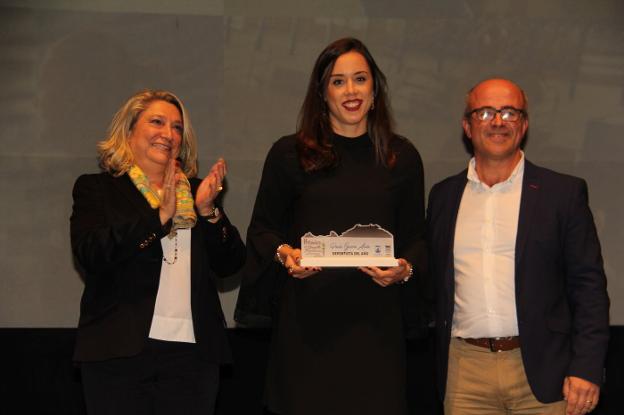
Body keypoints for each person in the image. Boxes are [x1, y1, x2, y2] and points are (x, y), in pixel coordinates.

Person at [235, 37, 426, 415]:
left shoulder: (401, 157)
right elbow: (263, 230)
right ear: (322, 93)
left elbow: (416, 239)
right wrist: (285, 254)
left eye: (360, 79)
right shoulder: (289, 154)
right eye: (338, 81)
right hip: (307, 330)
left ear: (375, 90)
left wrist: (404, 269)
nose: (351, 91)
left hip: (376, 334)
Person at [427, 78, 610, 415]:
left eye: (509, 112)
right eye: (485, 113)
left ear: (524, 125)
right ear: (467, 126)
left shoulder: (562, 194)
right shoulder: (443, 197)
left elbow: (589, 287)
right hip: (464, 373)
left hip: (545, 373)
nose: (498, 122)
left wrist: (586, 366)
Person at [70, 89, 245, 415]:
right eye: (157, 122)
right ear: (129, 132)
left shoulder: (197, 192)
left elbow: (231, 263)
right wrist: (159, 217)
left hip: (193, 357)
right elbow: (91, 253)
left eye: (177, 127)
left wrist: (208, 213)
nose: (169, 134)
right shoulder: (97, 189)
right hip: (118, 352)